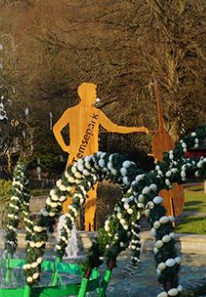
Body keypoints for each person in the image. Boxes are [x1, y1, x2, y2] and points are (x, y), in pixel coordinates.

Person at [52, 82, 148, 230]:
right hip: (76, 158)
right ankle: (67, 225)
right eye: (93, 93)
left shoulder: (96, 114)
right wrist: (66, 147)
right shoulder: (71, 112)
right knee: (69, 191)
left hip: (91, 159)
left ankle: (89, 226)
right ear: (84, 94)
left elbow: (114, 127)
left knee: (91, 193)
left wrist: (136, 129)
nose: (96, 96)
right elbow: (56, 128)